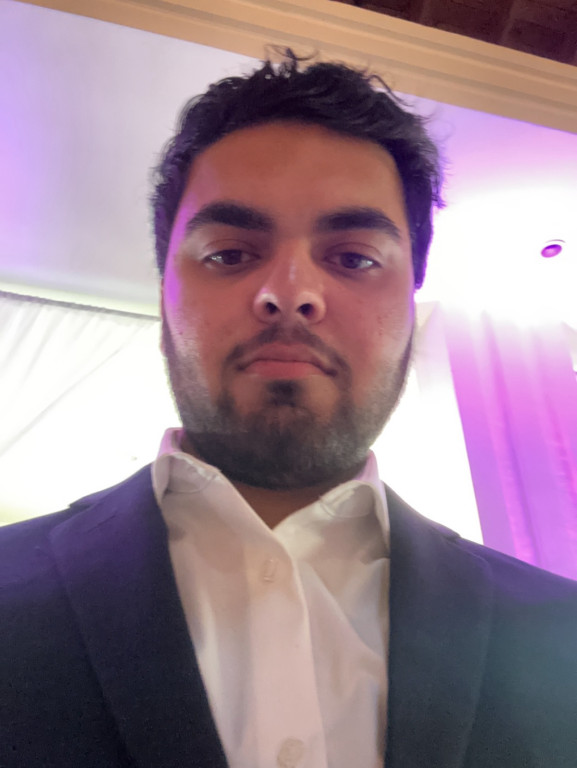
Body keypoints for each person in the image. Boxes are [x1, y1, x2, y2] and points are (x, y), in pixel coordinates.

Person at [1, 51, 576, 768]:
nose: (290, 292)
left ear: (411, 302)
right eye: (229, 253)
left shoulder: (563, 637)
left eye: (354, 257)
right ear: (164, 295)